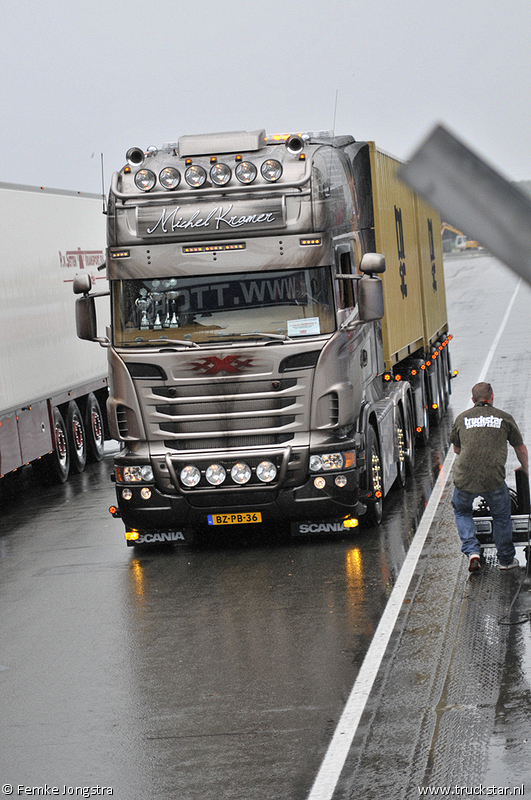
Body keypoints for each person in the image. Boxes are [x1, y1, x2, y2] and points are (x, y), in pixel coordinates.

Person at [450, 382, 529, 573]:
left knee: (462, 511)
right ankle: (506, 559)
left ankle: (472, 551)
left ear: (472, 400)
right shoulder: (504, 418)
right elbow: (520, 448)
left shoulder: (462, 418)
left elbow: (457, 449)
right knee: (501, 515)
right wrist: (525, 468)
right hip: (493, 478)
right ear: (491, 397)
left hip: (464, 478)